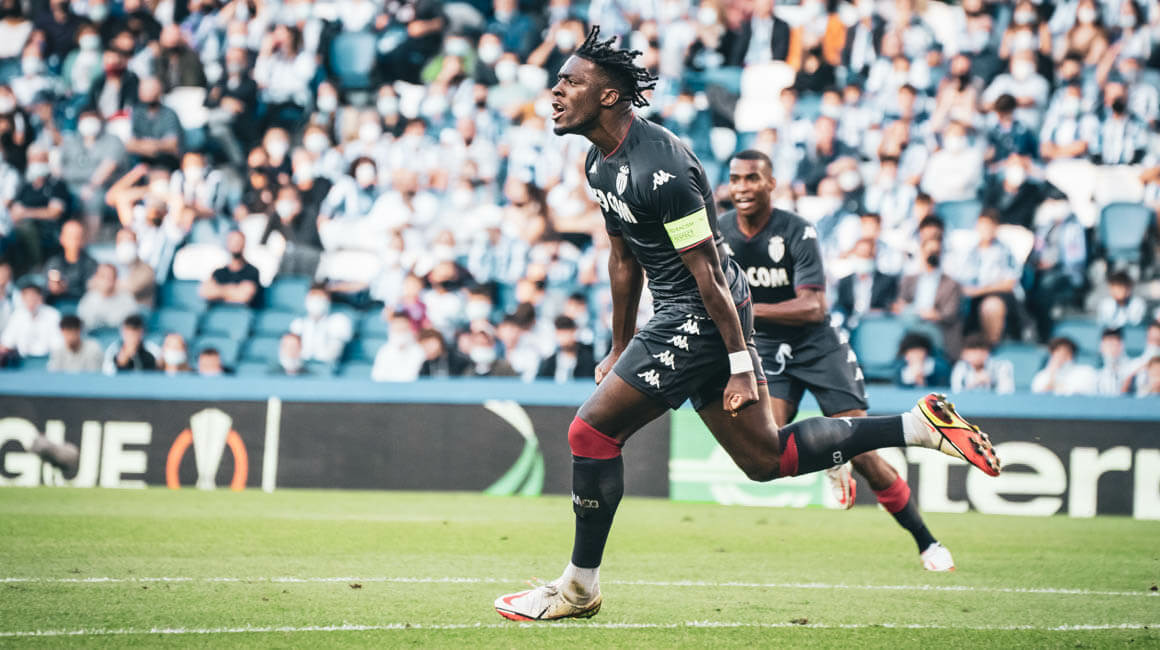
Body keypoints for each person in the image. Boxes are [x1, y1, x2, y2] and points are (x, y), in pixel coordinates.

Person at [494, 28, 999, 622]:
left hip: (698, 316)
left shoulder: (662, 167)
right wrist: (619, 344)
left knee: (590, 434)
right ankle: (917, 426)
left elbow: (709, 273)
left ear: (608, 96)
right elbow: (623, 258)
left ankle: (578, 588)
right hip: (687, 316)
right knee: (766, 460)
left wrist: (739, 362)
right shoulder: (598, 163)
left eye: (570, 82)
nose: (555, 92)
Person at [720, 150, 955, 570]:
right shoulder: (720, 233)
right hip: (767, 349)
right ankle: (832, 456)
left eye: (752, 178)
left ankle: (927, 542)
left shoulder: (797, 231)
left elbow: (813, 307)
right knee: (767, 446)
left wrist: (744, 310)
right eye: (735, 179)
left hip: (818, 345)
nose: (742, 187)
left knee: (864, 453)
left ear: (771, 183)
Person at [895, 235, 964, 360]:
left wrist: (935, 315)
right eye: (929, 251)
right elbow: (900, 304)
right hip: (912, 325)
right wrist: (916, 311)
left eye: (936, 252)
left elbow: (950, 314)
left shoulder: (951, 284)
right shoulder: (909, 280)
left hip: (938, 327)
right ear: (922, 252)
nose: (932, 255)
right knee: (907, 317)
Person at [288, 284, 352, 364]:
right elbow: (291, 352)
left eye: (320, 297)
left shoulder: (339, 321)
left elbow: (332, 354)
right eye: (313, 296)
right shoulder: (297, 323)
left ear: (328, 300)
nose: (316, 301)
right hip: (301, 367)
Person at [0, 282, 61, 362]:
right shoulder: (17, 315)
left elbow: (58, 344)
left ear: (41, 298)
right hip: (22, 362)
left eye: (33, 297)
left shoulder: (53, 314)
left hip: (48, 361)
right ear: (22, 299)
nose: (30, 301)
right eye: (27, 298)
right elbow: (7, 343)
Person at [199, 231, 261, 307]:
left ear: (244, 243)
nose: (235, 244)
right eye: (232, 241)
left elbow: (243, 297)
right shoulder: (218, 272)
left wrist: (218, 292)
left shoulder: (252, 271)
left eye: (238, 241)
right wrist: (233, 290)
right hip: (219, 312)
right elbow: (205, 292)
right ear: (227, 244)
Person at [43, 219, 98, 305]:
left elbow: (92, 289)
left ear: (84, 239)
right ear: (62, 238)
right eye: (70, 236)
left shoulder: (91, 264)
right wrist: (53, 287)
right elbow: (46, 287)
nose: (74, 240)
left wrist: (67, 288)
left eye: (77, 236)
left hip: (82, 304)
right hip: (56, 304)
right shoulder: (53, 262)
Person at [77, 264, 139, 331]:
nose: (106, 281)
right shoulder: (88, 299)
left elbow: (132, 329)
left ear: (116, 279)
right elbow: (82, 327)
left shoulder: (127, 300)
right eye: (102, 276)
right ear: (96, 278)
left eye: (110, 277)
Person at [537, 315, 597, 382]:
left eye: (567, 331)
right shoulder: (549, 363)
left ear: (574, 331)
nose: (564, 337)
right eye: (560, 332)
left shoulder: (588, 359)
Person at [1030, 336, 1098, 396]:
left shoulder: (1086, 372)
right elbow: (1038, 399)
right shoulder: (1042, 376)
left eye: (1064, 354)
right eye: (1057, 354)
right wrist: (1052, 376)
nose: (1060, 358)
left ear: (1072, 355)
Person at [950, 334, 1014, 394]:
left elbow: (1007, 392)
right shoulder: (960, 367)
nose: (976, 356)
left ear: (986, 352)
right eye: (972, 352)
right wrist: (972, 385)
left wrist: (991, 382)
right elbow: (956, 392)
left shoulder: (1001, 366)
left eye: (979, 351)